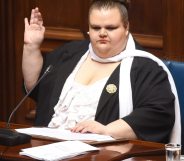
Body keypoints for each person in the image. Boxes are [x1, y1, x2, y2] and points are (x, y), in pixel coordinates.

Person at [22, 0, 181, 144]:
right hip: (46, 147)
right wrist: (31, 46)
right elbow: (35, 88)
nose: (102, 33)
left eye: (111, 28)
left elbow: (157, 115)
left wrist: (107, 131)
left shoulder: (146, 67)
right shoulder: (69, 53)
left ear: (126, 28)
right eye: (96, 27)